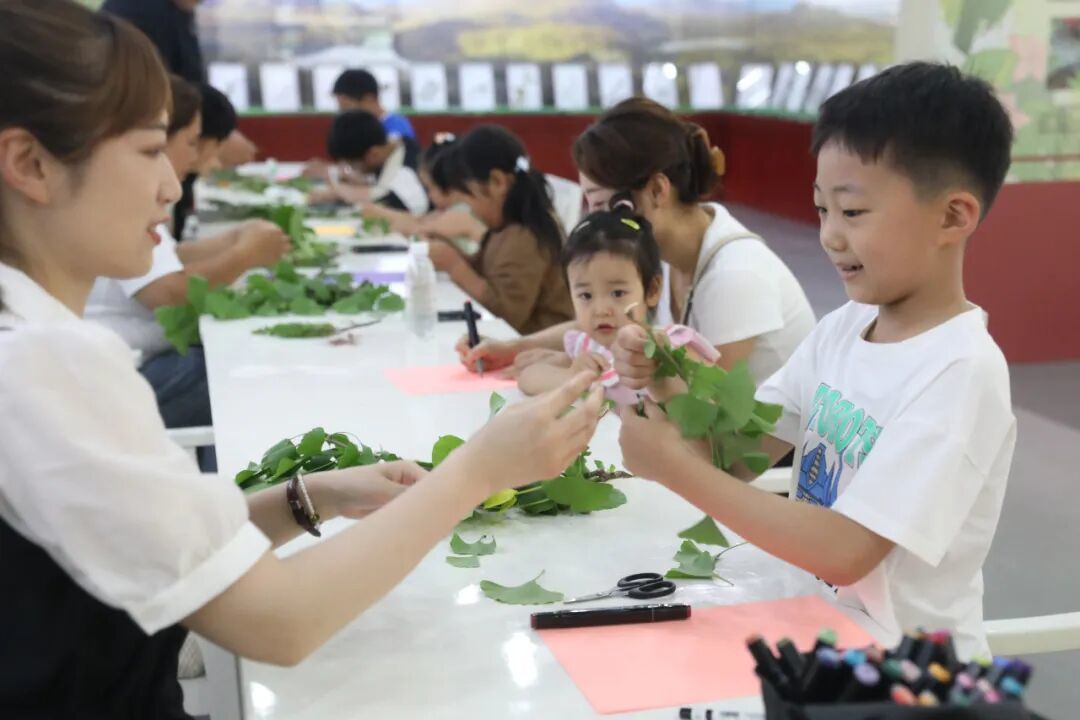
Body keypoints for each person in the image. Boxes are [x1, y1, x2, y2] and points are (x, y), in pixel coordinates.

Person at [0, 3, 604, 717]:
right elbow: (278, 622)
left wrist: (308, 498)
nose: (171, 185)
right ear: (29, 164)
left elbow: (171, 543)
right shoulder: (41, 362)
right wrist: (479, 470)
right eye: (147, 150)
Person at [616, 63, 1016, 659]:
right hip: (815, 631)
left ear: (952, 217)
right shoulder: (845, 329)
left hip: (900, 671)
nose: (828, 235)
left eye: (852, 212)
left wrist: (676, 468)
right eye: (821, 209)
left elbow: (846, 550)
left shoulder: (960, 370)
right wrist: (668, 383)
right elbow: (739, 457)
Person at [457, 98, 816, 387]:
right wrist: (516, 348)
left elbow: (709, 399)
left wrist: (574, 372)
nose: (594, 219)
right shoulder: (657, 248)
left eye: (600, 203)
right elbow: (607, 320)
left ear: (658, 190)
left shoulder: (735, 274)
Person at [84, 74, 291, 463]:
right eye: (189, 143)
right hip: (129, 375)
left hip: (130, 368)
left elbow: (170, 257)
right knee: (231, 370)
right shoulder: (123, 200)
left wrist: (237, 242)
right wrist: (244, 255)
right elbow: (169, 294)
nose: (196, 158)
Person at [518, 204, 718, 400]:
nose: (601, 310)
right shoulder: (589, 348)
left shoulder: (668, 345)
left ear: (652, 290)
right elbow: (528, 377)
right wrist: (572, 377)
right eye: (586, 296)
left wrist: (662, 367)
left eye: (617, 293)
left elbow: (715, 396)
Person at [430, 124, 573, 335]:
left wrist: (454, 265)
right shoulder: (503, 230)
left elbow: (507, 316)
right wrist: (446, 249)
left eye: (469, 198)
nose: (470, 210)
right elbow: (486, 270)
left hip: (541, 350)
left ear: (497, 182)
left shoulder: (525, 237)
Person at [359, 133, 486, 253]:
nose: (429, 195)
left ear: (451, 187)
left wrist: (381, 213)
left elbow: (419, 227)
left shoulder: (461, 213)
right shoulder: (448, 210)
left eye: (430, 188)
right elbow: (419, 220)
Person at [309, 110, 429, 216]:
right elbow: (378, 184)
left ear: (373, 154)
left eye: (353, 166)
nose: (353, 171)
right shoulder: (394, 145)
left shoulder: (408, 167)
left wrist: (341, 191)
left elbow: (392, 201)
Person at [333, 68, 416, 141]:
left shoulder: (396, 126)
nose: (344, 114)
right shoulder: (360, 130)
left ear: (369, 99)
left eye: (347, 107)